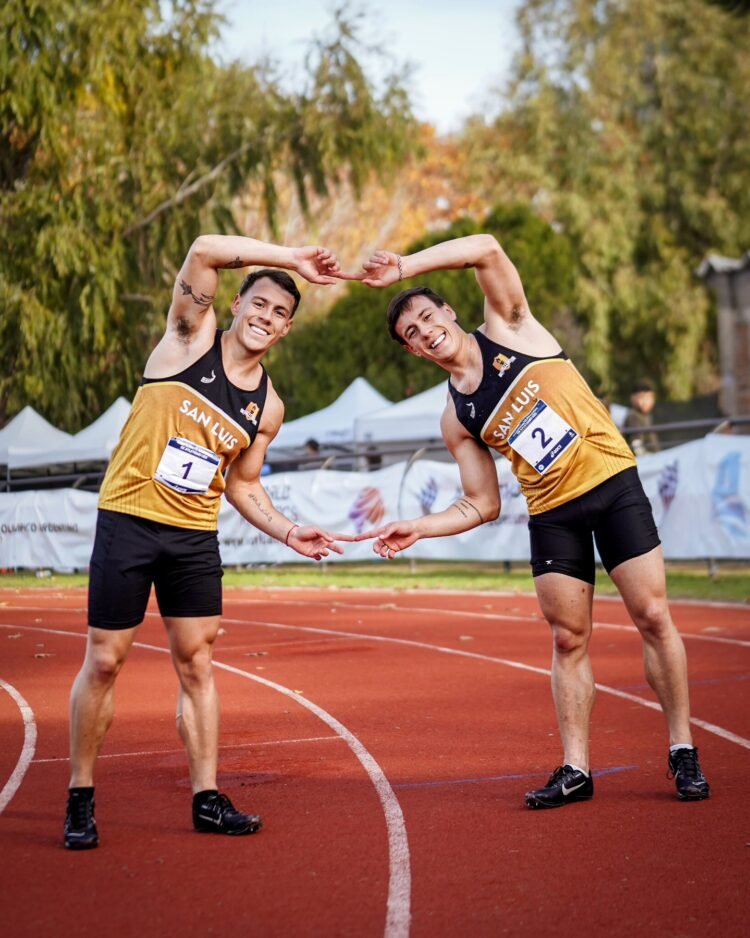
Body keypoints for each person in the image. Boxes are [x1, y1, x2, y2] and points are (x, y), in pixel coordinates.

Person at [341, 234, 710, 808]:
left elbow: (486, 248)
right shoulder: (456, 417)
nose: (424, 331)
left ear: (449, 312)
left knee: (653, 615)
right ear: (412, 351)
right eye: (411, 333)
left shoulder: (511, 328)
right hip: (553, 512)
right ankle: (577, 768)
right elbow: (481, 503)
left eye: (427, 317)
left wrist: (404, 267)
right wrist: (419, 526)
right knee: (567, 638)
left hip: (611, 485)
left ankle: (682, 749)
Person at [64, 235, 350, 849]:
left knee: (197, 664)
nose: (266, 317)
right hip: (129, 520)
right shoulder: (189, 337)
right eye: (259, 303)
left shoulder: (268, 408)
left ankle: (206, 798)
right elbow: (202, 250)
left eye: (280, 313)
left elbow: (243, 486)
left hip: (193, 538)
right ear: (237, 303)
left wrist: (290, 530)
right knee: (105, 660)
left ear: (287, 329)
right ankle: (80, 797)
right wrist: (292, 258)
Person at [623, 379, 661, 456]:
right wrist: (648, 459)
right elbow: (636, 445)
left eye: (649, 397)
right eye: (642, 397)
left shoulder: (647, 416)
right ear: (633, 398)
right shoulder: (633, 416)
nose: (646, 401)